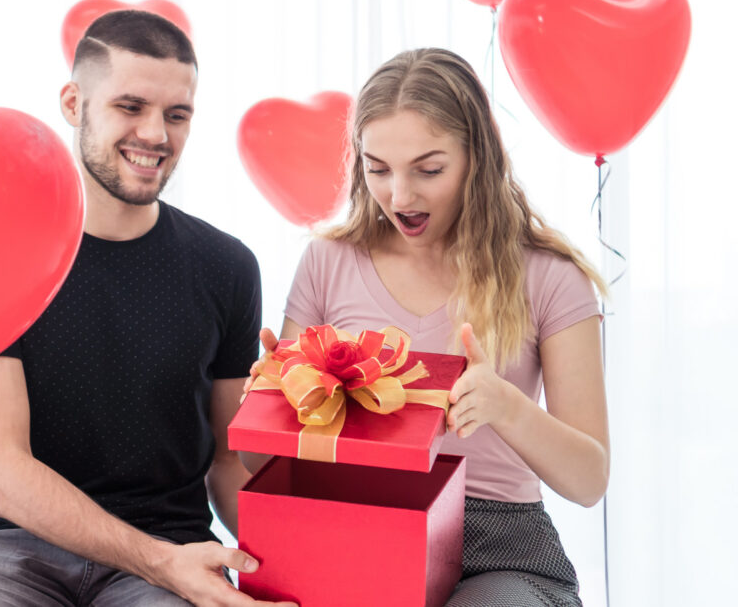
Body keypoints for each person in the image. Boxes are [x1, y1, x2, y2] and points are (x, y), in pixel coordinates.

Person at [0, 11, 294, 607]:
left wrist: (309, 564)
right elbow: (0, 477)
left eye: (177, 115)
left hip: (168, 554)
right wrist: (161, 563)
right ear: (74, 103)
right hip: (11, 551)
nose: (156, 134)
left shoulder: (227, 267)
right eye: (130, 106)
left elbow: (228, 462)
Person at [248, 48, 608, 606]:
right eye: (377, 169)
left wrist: (507, 408)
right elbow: (264, 468)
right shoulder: (327, 262)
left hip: (498, 551)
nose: (400, 196)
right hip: (356, 529)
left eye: (429, 169)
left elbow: (590, 481)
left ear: (477, 157)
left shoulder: (551, 277)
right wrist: (270, 409)